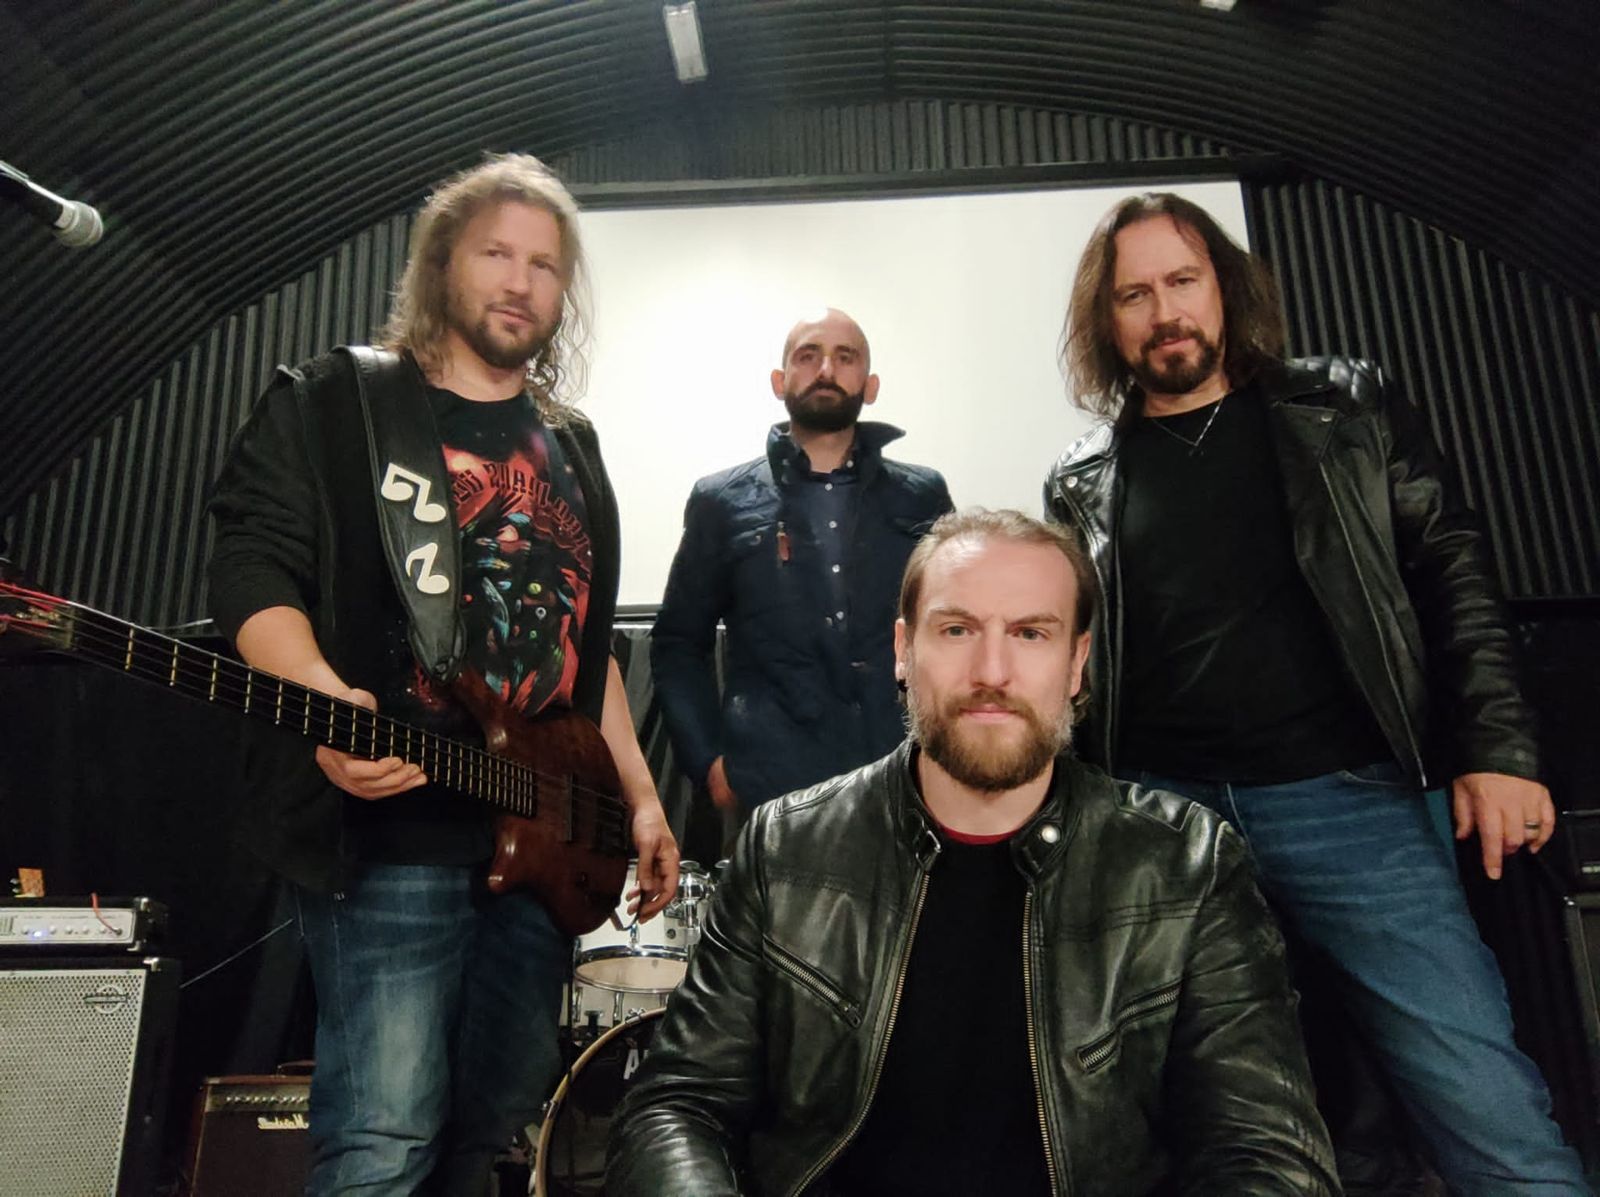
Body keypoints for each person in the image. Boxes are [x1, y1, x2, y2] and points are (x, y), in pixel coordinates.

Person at [1045, 190, 1588, 1194]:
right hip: (1166, 823)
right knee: (1197, 1117)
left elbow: (1451, 568)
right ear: (1105, 321)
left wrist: (1498, 749)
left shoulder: (1342, 407)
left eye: (1182, 280)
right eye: (1134, 294)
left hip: (1347, 804)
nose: (1164, 312)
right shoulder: (1080, 478)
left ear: (1224, 287)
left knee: (1480, 1102)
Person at [609, 509, 1338, 1196]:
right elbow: (678, 1104)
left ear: (1077, 663)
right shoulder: (785, 847)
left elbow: (1266, 1153)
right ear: (903, 651)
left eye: (1031, 633)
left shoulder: (1189, 865)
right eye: (957, 629)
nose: (992, 671)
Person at [206, 153, 679, 1195]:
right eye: (496, 253)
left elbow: (584, 650)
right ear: (440, 265)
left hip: (543, 837)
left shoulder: (573, 446)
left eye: (545, 266)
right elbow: (251, 565)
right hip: (395, 830)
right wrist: (317, 694)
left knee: (494, 1131)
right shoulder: (339, 404)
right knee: (386, 1139)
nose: (520, 282)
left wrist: (642, 798)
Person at [651, 307, 952, 818]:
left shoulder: (921, 495)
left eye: (845, 357)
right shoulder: (722, 501)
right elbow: (678, 644)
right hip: (771, 788)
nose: (826, 370)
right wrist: (709, 765)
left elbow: (953, 627)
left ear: (870, 385)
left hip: (903, 777)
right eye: (808, 356)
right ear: (779, 380)